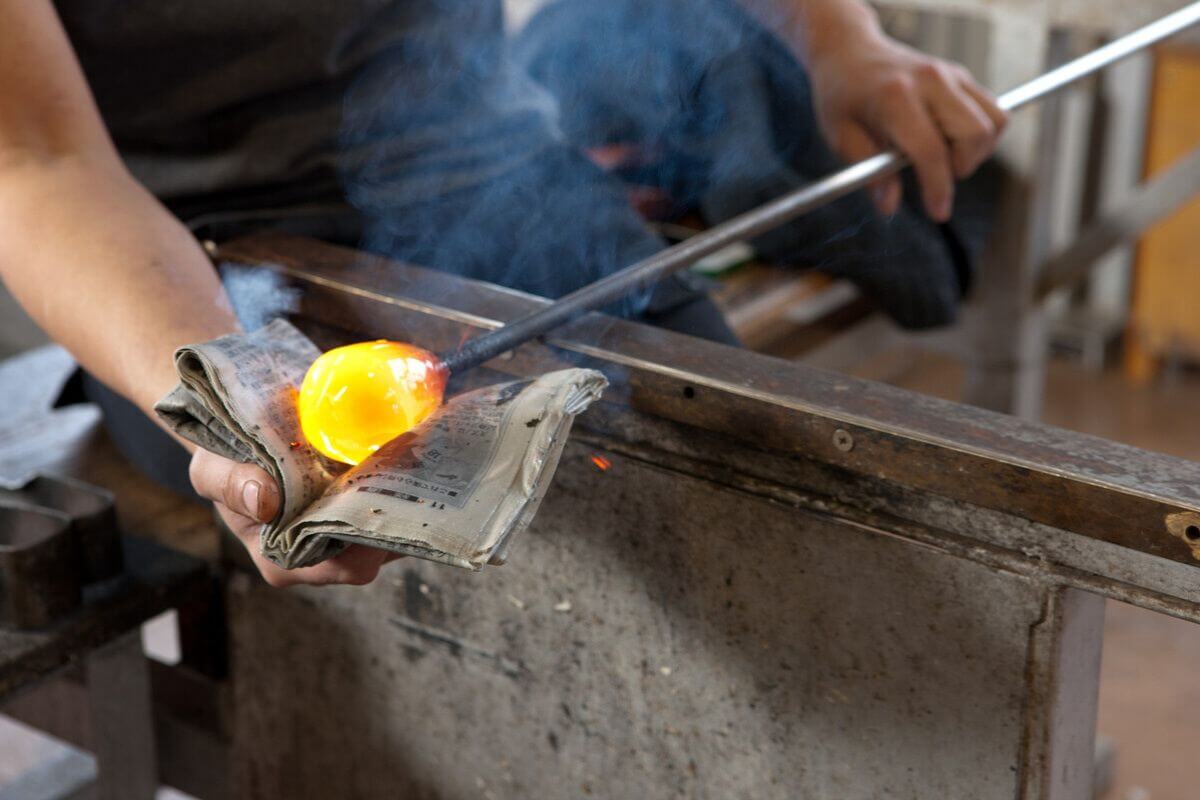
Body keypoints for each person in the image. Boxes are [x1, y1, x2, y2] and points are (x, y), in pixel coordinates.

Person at [0, 0, 1005, 587]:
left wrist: (834, 42)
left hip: (502, 173)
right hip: (186, 255)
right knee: (358, 535)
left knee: (740, 485)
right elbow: (35, 159)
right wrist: (222, 378)